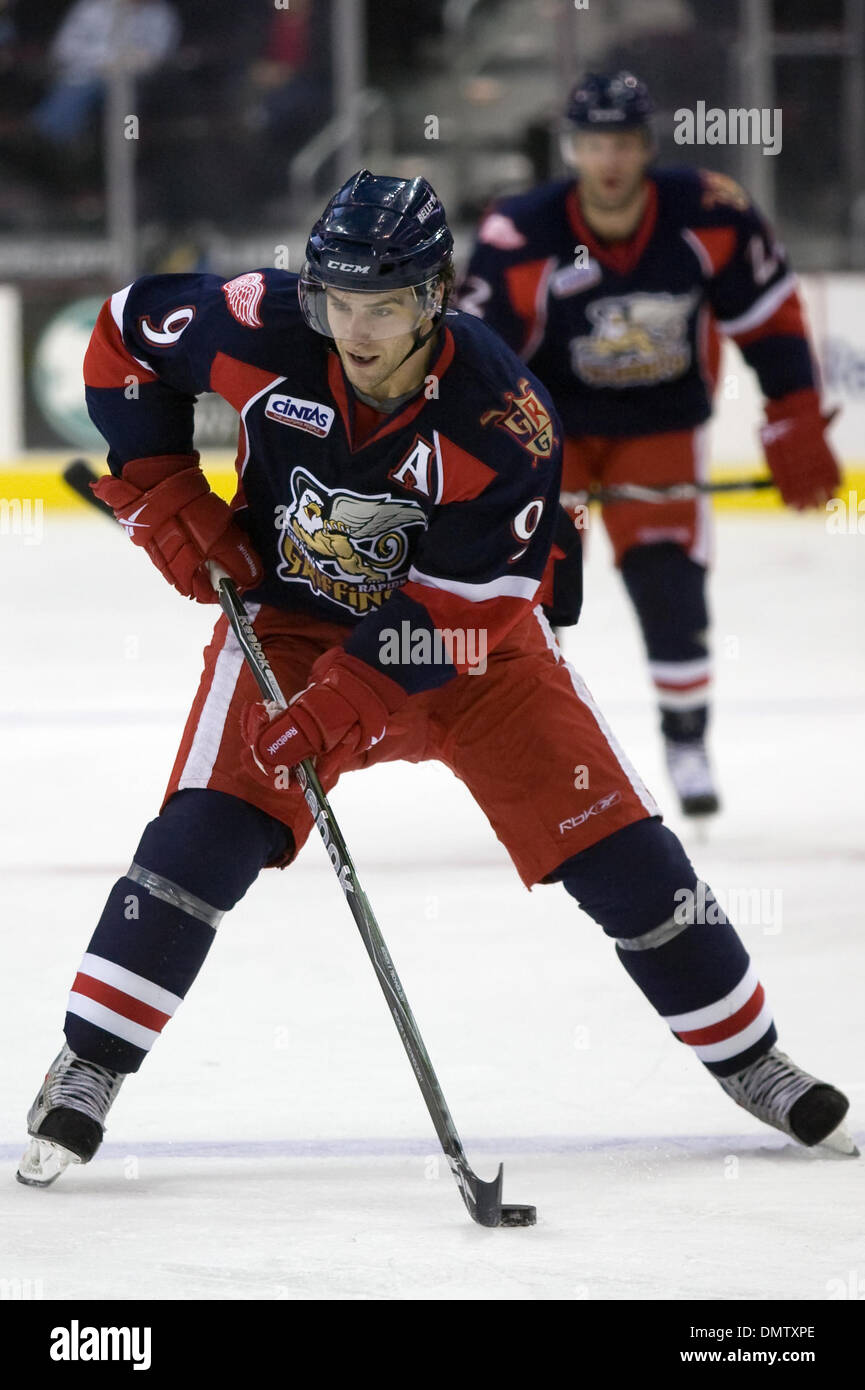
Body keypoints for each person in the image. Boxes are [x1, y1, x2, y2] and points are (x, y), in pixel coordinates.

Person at [17, 171, 853, 1191]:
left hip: (473, 654)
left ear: (434, 298)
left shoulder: (504, 416)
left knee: (621, 855)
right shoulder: (260, 325)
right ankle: (91, 1061)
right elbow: (122, 334)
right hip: (289, 624)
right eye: (337, 302)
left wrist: (341, 704)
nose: (356, 332)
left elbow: (463, 608)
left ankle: (752, 1057)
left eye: (385, 306)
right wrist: (160, 490)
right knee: (203, 834)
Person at [459, 72, 841, 818]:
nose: (609, 160)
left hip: (659, 426)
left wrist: (792, 409)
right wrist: (487, 455)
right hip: (550, 434)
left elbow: (767, 316)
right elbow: (480, 358)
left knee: (667, 580)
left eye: (623, 143)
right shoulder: (521, 232)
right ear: (571, 148)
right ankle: (533, 747)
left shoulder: (709, 214)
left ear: (646, 148)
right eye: (594, 143)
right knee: (531, 592)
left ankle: (685, 739)